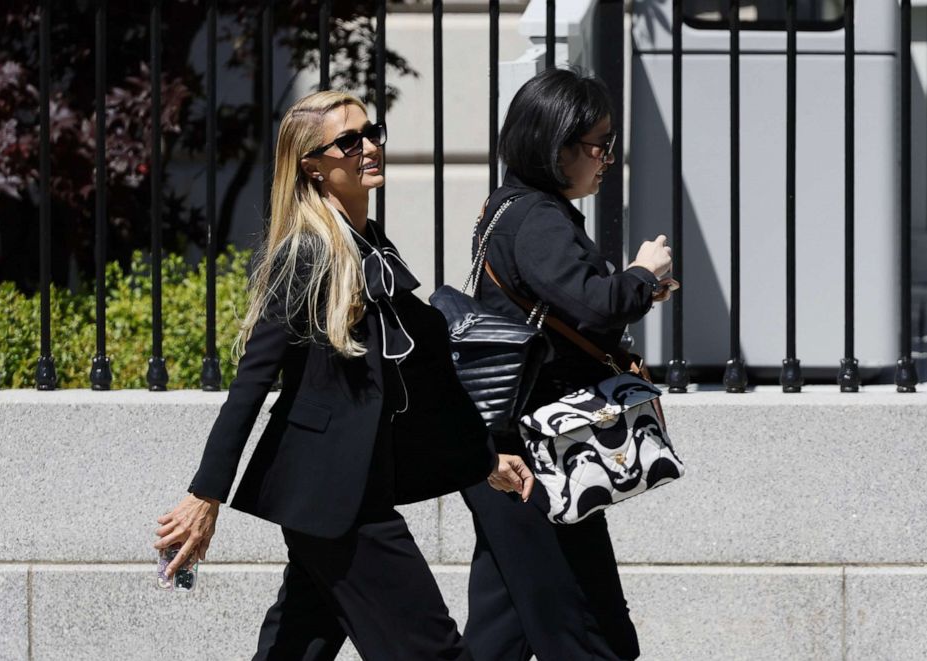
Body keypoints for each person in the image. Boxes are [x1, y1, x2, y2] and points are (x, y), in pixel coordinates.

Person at [152, 90, 533, 661]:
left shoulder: (372, 248)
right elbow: (251, 384)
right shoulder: (305, 255)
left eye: (372, 132)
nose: (369, 147)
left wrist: (484, 457)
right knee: (433, 651)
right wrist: (205, 497)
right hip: (338, 500)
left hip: (347, 491)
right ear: (313, 165)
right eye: (349, 141)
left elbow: (425, 374)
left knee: (296, 648)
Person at [460, 68, 675, 661]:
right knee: (585, 628)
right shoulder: (538, 218)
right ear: (557, 147)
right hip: (538, 453)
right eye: (599, 146)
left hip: (513, 446)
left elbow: (557, 306)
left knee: (503, 628)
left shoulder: (507, 208)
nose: (606, 159)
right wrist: (641, 273)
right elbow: (595, 303)